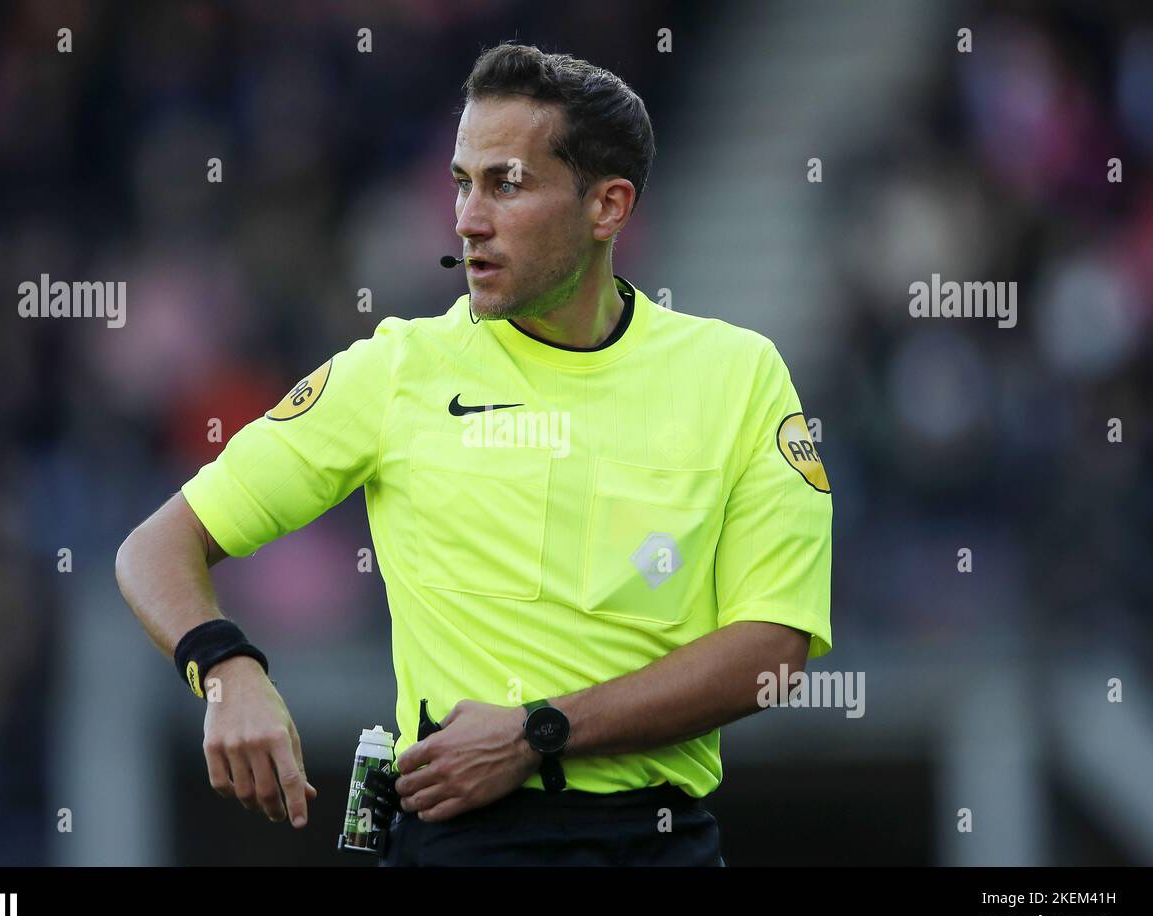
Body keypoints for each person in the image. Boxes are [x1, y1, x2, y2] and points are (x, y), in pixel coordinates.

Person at [115, 41, 833, 867]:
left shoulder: (737, 376)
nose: (467, 218)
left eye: (507, 184)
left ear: (608, 208)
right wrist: (226, 667)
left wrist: (538, 734)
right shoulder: (395, 372)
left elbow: (774, 649)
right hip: (462, 841)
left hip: (660, 842)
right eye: (462, 182)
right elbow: (154, 547)